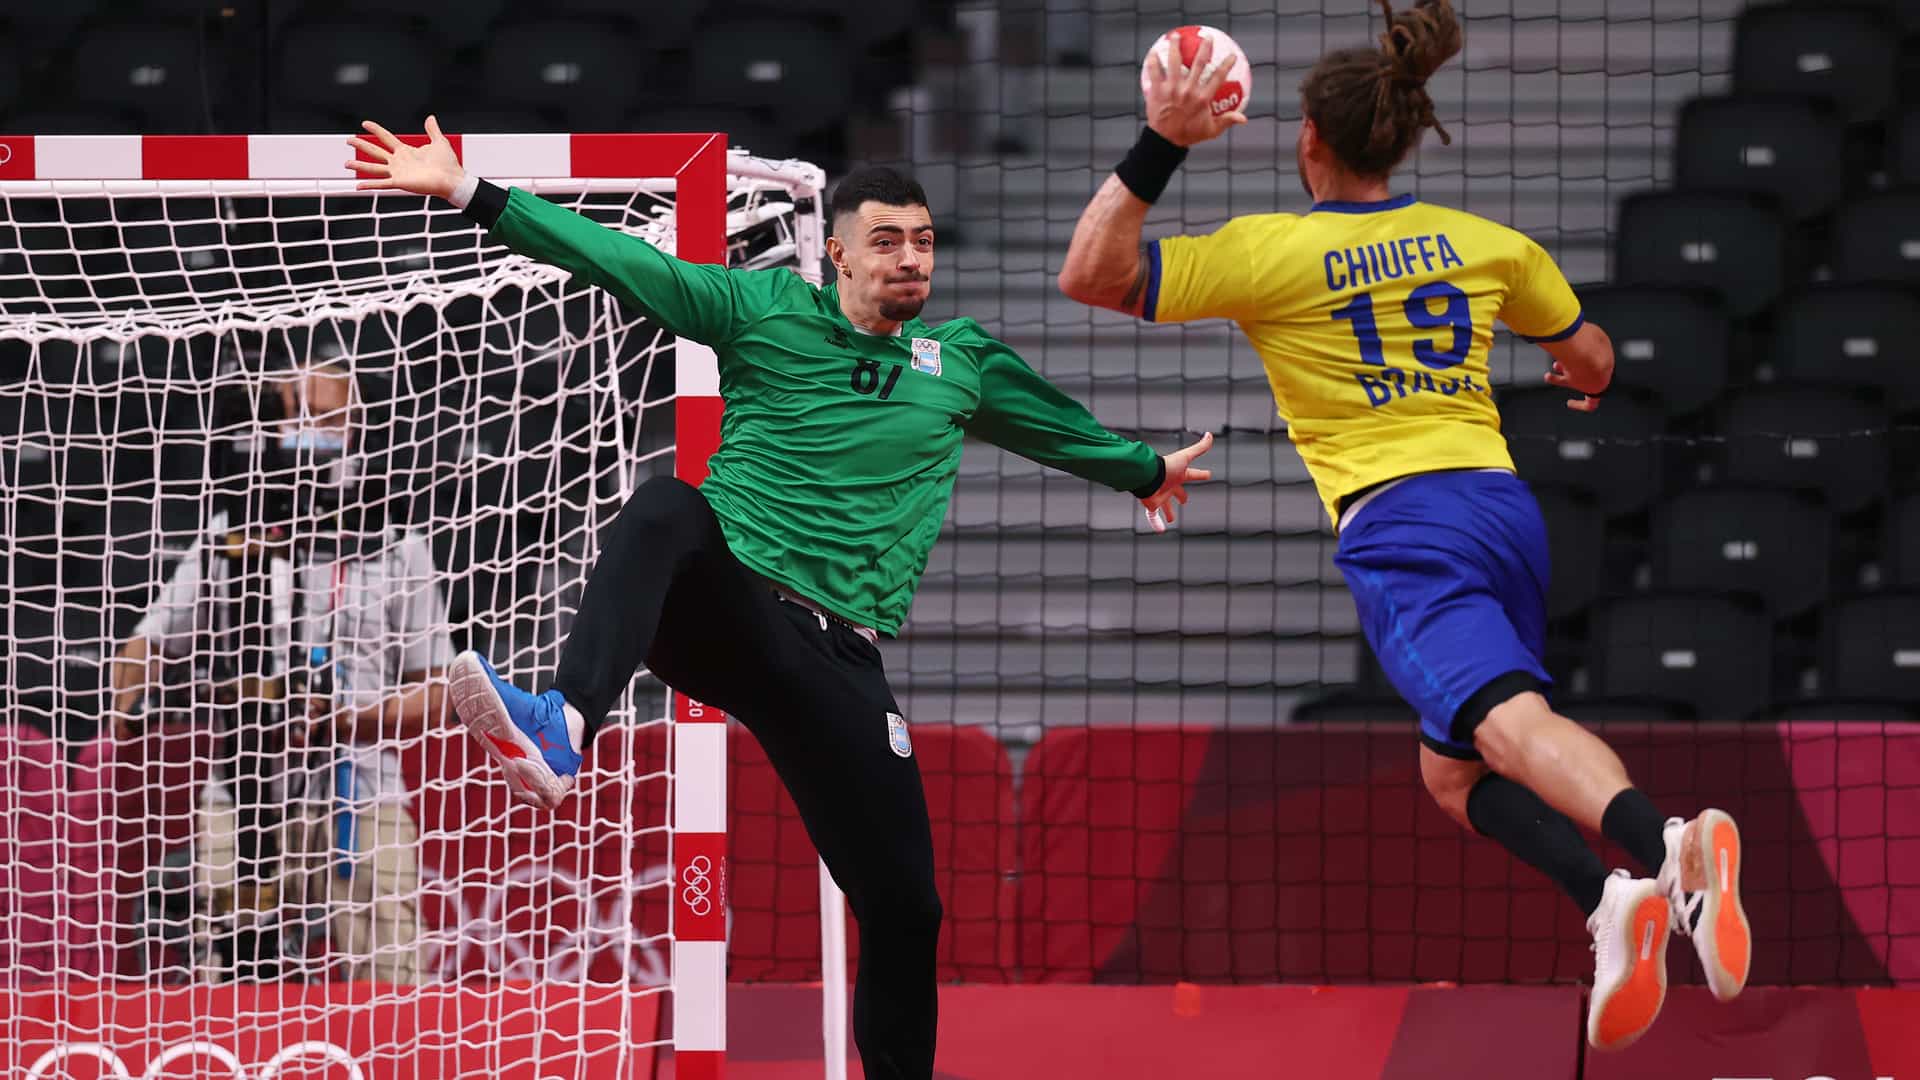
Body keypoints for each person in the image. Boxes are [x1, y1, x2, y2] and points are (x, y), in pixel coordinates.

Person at [345, 119, 1212, 1078]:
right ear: (835, 253)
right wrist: (474, 192)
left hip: (836, 659)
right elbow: (622, 261)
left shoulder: (959, 360)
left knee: (906, 906)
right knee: (667, 505)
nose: (910, 257)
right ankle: (564, 723)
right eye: (886, 240)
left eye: (922, 240)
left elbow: (1054, 425)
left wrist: (1142, 472)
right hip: (729, 608)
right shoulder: (763, 309)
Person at [1057, 0, 1749, 1051]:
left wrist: (1165, 138)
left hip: (1400, 524)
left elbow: (1091, 274)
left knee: (1505, 727)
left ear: (1309, 141)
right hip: (1503, 510)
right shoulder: (1487, 245)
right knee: (1452, 769)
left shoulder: (1270, 255)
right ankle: (1608, 901)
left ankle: (1669, 842)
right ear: (1405, 137)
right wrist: (1575, 371)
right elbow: (1596, 358)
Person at [108, 356, 449, 985]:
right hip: (241, 789)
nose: (304, 431)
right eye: (292, 417)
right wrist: (130, 701)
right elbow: (148, 641)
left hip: (362, 794)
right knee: (222, 982)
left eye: (322, 418)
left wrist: (351, 718)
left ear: (355, 432)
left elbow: (437, 691)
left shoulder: (398, 545)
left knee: (396, 984)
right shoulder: (230, 532)